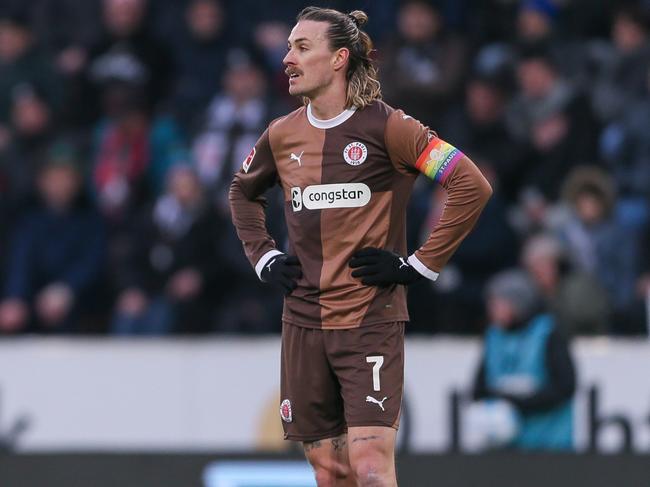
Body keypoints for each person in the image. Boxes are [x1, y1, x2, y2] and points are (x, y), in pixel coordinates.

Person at [229, 7, 492, 486]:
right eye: (288, 47)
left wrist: (418, 266)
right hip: (304, 321)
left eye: (302, 47)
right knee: (330, 471)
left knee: (370, 467)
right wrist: (264, 256)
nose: (287, 58)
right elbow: (242, 192)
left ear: (339, 59)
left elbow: (469, 185)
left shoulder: (390, 127)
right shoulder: (282, 134)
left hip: (369, 320)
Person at [472, 270, 576, 451]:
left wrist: (516, 401)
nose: (492, 310)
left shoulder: (548, 333)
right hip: (505, 448)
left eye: (498, 303)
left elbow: (565, 387)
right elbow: (478, 389)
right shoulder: (493, 337)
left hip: (550, 445)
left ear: (517, 303)